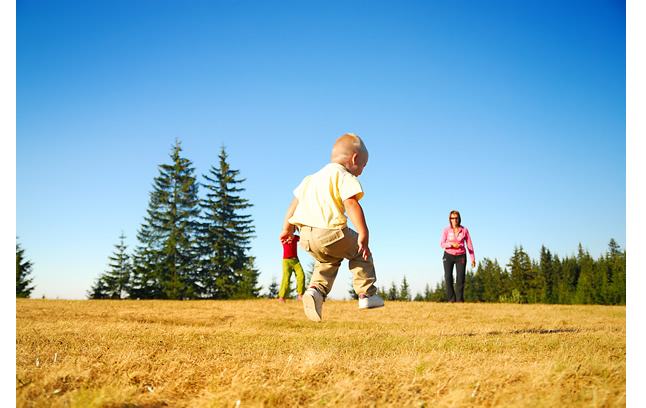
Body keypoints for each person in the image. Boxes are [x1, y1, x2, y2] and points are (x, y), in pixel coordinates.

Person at [279, 133, 384, 322]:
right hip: (330, 232)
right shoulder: (343, 175)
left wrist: (286, 229)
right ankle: (367, 295)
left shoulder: (310, 179)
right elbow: (351, 203)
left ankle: (315, 291)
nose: (362, 170)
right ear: (354, 159)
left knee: (328, 261)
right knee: (360, 253)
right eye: (363, 165)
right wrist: (363, 232)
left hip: (306, 236)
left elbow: (293, 205)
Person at [440, 210, 476, 302]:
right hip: (448, 256)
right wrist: (451, 245)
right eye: (452, 218)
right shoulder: (446, 230)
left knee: (460, 278)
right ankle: (451, 299)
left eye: (456, 218)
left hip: (461, 256)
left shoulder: (464, 230)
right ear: (450, 219)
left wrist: (473, 259)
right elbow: (442, 244)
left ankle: (459, 300)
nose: (454, 220)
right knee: (448, 277)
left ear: (459, 219)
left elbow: (469, 245)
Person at [277, 234, 305, 302]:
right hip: (286, 261)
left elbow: (303, 237)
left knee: (301, 276)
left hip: (296, 261)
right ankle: (281, 297)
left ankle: (300, 295)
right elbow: (280, 236)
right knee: (286, 279)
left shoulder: (295, 237)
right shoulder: (283, 237)